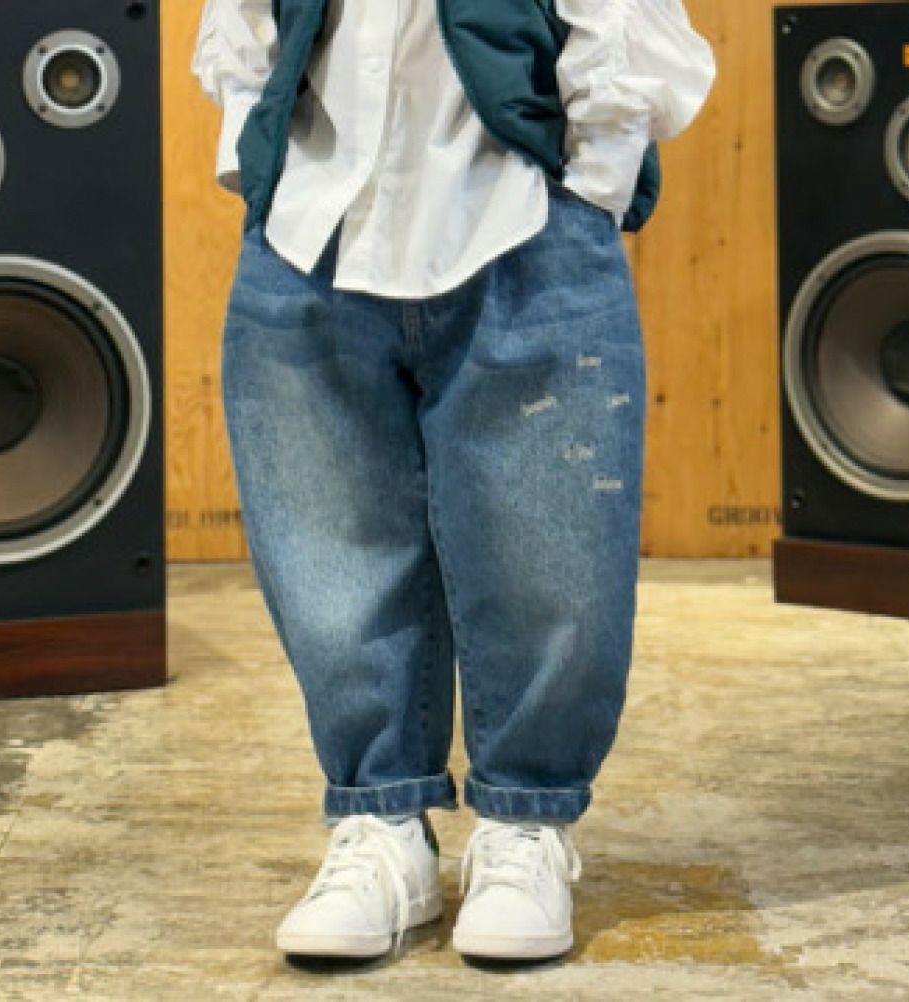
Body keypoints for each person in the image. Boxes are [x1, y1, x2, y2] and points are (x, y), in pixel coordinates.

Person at [191, 0, 715, 963]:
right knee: (327, 550)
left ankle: (525, 825)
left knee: (548, 551)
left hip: (518, 210)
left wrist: (588, 190)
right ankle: (379, 822)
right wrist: (256, 165)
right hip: (312, 219)